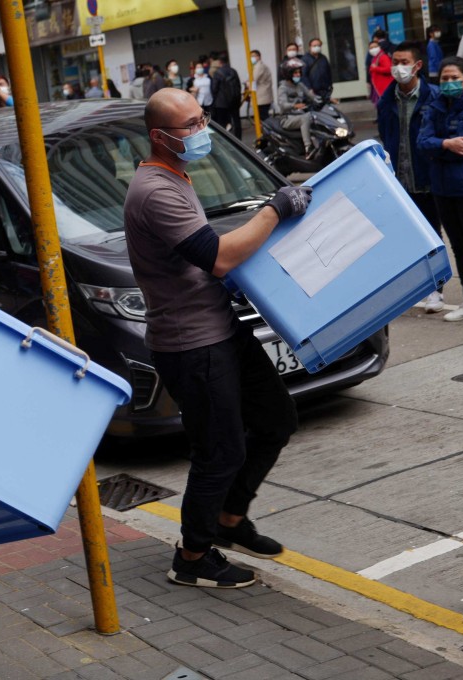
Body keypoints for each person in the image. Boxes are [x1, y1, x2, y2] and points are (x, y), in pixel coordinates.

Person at [124, 88, 310, 588]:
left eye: (202, 118)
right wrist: (274, 210)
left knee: (275, 420)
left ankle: (229, 520)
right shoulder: (155, 190)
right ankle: (192, 557)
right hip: (192, 344)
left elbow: (198, 262)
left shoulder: (175, 175)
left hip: (219, 327)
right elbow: (219, 255)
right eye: (189, 124)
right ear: (159, 136)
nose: (201, 129)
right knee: (220, 450)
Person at [378, 43, 445, 313]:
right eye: (395, 61)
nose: (397, 67)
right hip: (400, 180)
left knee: (433, 235)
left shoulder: (434, 97)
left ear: (417, 66)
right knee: (410, 238)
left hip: (428, 177)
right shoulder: (387, 99)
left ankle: (437, 290)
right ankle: (421, 287)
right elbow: (385, 133)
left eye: (403, 61)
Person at [418, 56, 463, 324]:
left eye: (455, 78)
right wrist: (446, 144)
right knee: (460, 248)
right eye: (445, 78)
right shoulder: (435, 106)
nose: (450, 83)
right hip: (443, 189)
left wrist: (440, 148)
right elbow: (422, 142)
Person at [275, 58, 316, 157]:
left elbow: (312, 96)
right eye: (295, 73)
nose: (298, 75)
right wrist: (294, 105)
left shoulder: (300, 85)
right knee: (305, 118)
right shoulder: (283, 88)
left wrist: (326, 100)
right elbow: (283, 105)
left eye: (299, 72)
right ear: (289, 74)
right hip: (287, 118)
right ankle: (308, 148)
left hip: (299, 114)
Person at [210, 53, 243, 139]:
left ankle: (226, 141)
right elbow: (239, 86)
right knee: (237, 121)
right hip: (234, 101)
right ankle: (239, 139)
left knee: (222, 123)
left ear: (219, 62)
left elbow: (214, 89)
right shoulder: (233, 71)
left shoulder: (218, 73)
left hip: (222, 103)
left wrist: (215, 100)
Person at [303, 38, 334, 102]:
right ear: (310, 47)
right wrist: (309, 88)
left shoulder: (323, 58)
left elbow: (328, 72)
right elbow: (303, 75)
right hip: (312, 91)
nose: (317, 47)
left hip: (324, 90)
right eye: (314, 46)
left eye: (319, 46)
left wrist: (330, 85)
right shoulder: (305, 59)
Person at [249, 50, 273, 121]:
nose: (251, 58)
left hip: (261, 98)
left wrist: (248, 83)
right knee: (263, 116)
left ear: (259, 57)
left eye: (253, 56)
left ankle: (267, 131)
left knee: (263, 117)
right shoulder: (261, 66)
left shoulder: (259, 66)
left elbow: (253, 79)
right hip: (264, 97)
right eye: (250, 56)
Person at [368, 40, 394, 104]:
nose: (373, 49)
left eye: (375, 47)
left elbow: (389, 69)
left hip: (384, 87)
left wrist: (375, 68)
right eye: (371, 48)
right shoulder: (375, 57)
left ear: (379, 47)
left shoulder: (383, 57)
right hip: (378, 87)